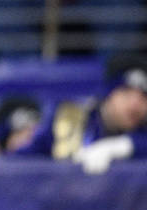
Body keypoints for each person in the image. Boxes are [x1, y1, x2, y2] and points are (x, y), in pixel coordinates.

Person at [11, 58, 147, 174]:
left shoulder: (142, 131)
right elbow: (28, 155)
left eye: (144, 98)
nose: (135, 106)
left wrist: (123, 146)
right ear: (108, 95)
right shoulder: (68, 117)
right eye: (126, 94)